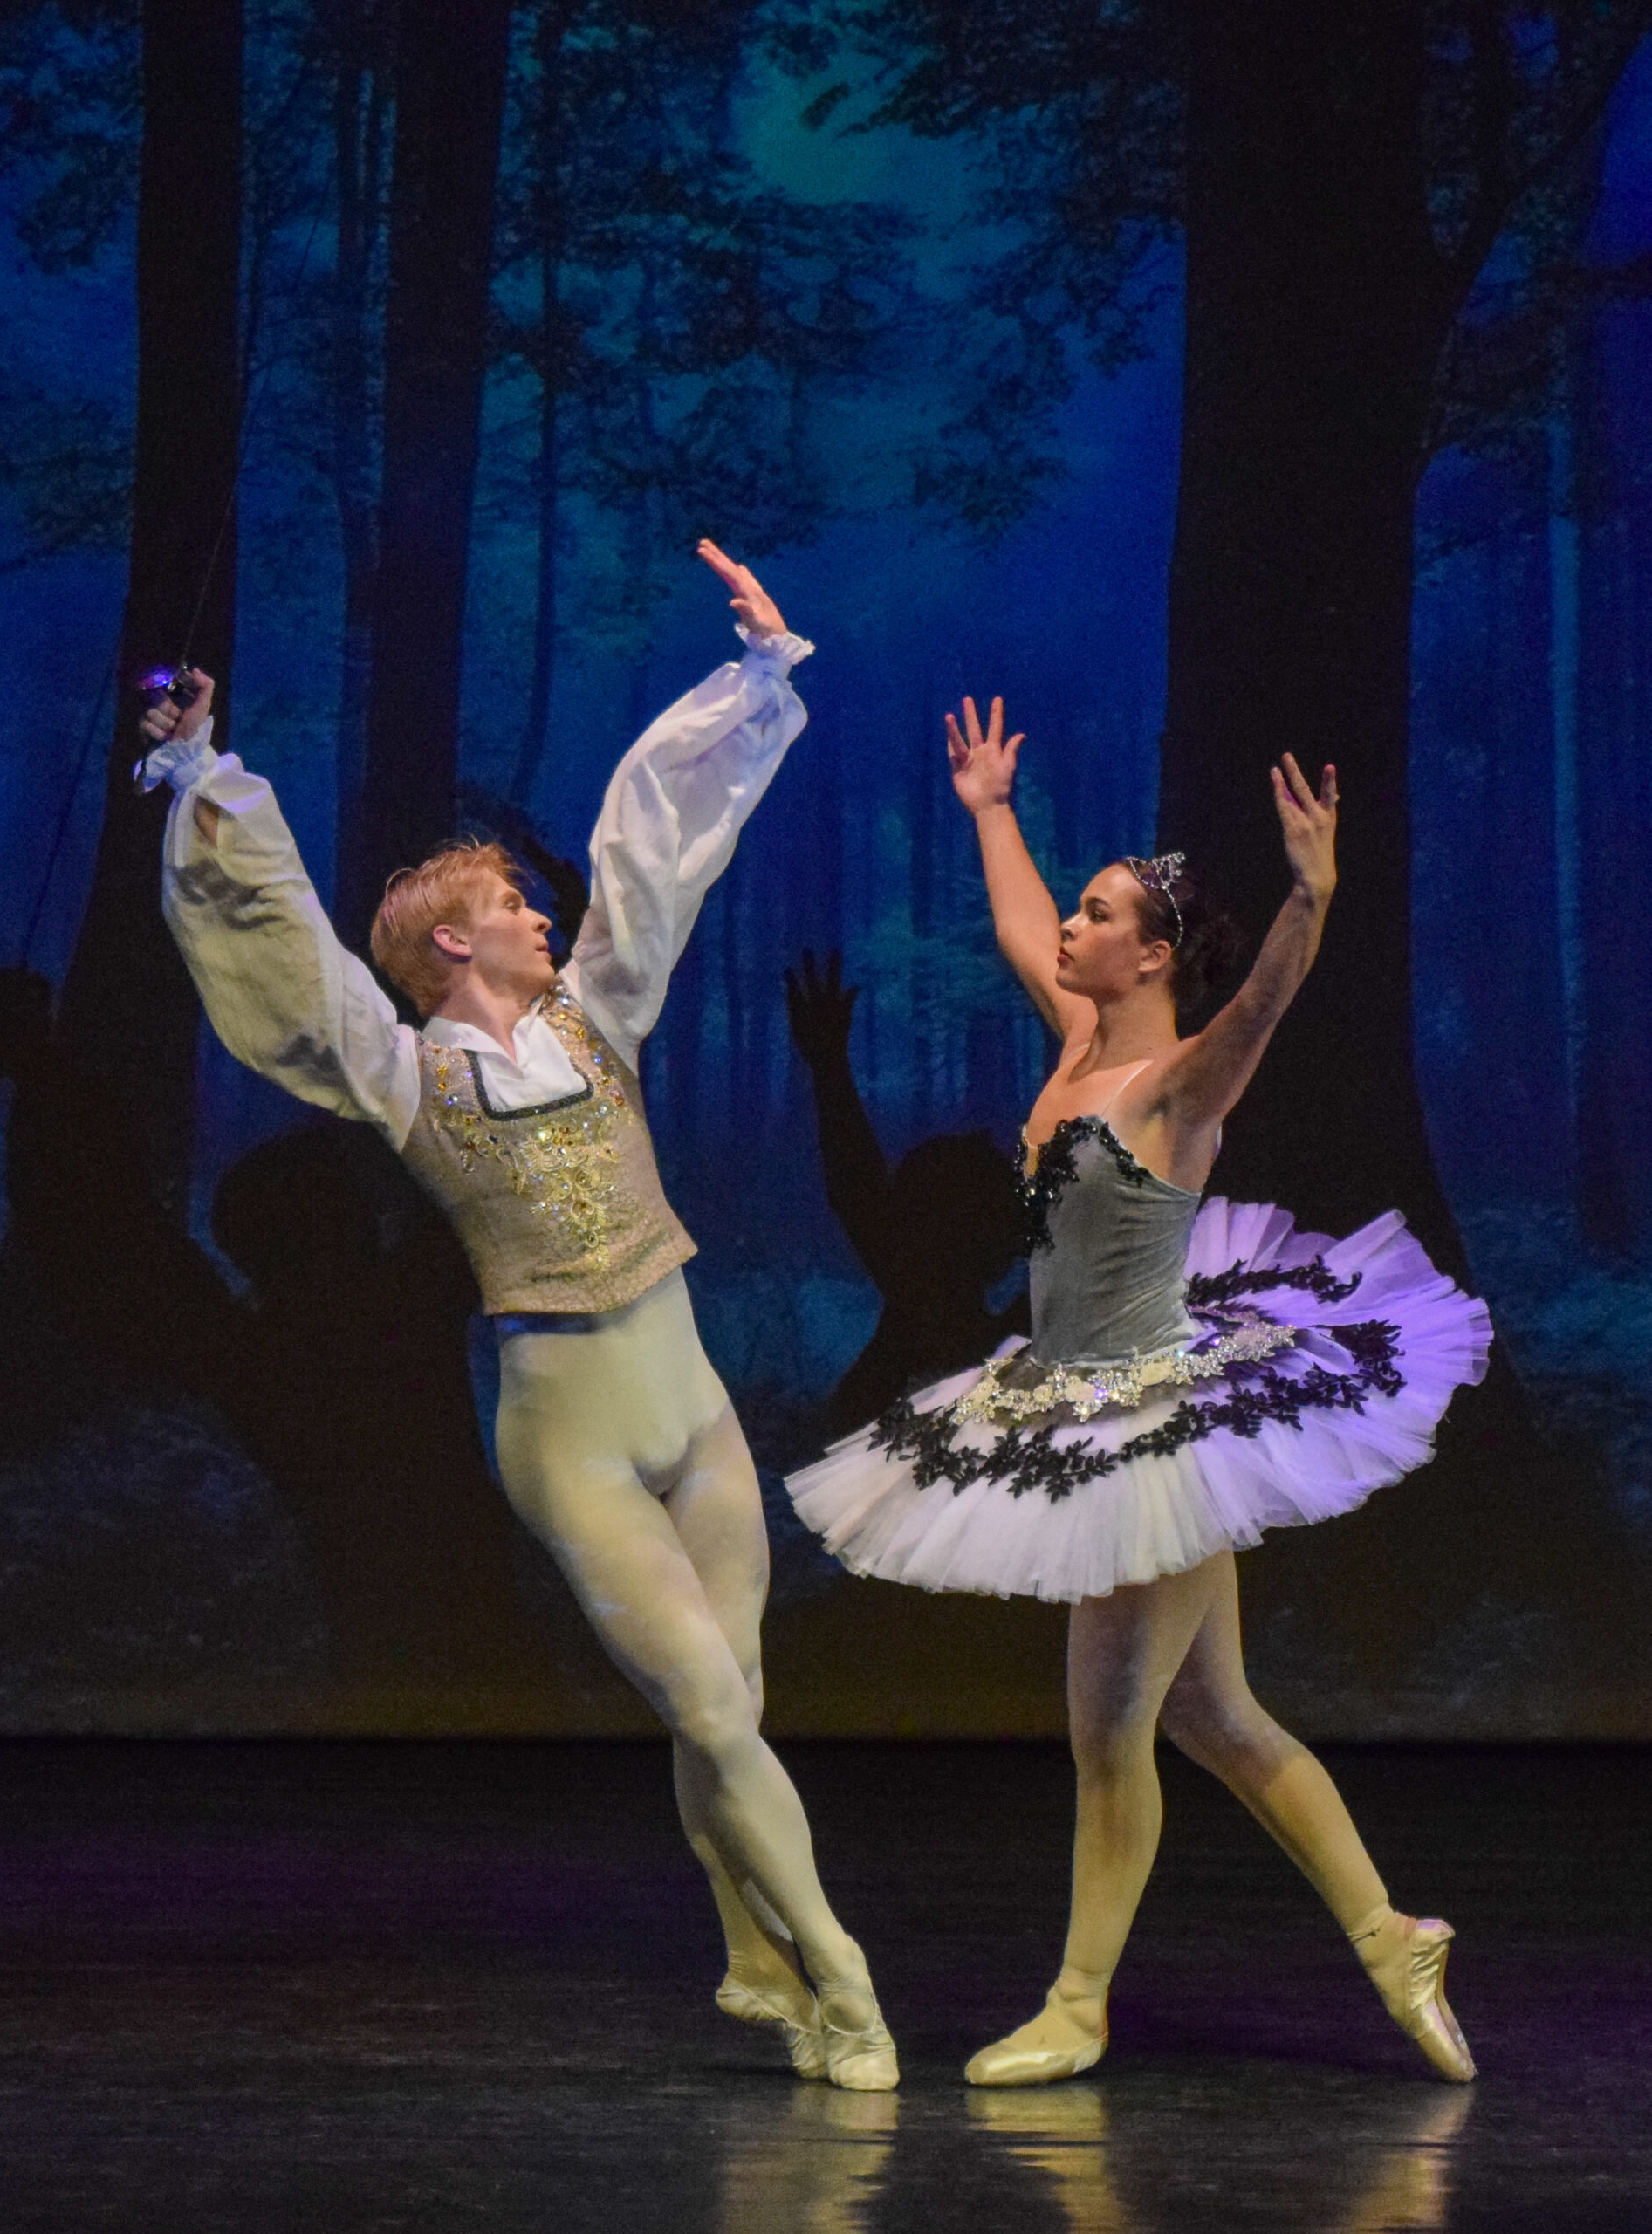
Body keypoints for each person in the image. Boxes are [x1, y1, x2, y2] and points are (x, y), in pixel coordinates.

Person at [135, 543, 896, 2090]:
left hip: (693, 1410)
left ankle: (749, 1956)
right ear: (450, 944)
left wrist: (759, 672)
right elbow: (286, 951)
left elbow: (650, 844)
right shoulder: (406, 1072)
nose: (544, 917)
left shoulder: (595, 1015)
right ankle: (843, 1976)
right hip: (572, 1438)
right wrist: (203, 770)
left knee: (730, 1708)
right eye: (511, 906)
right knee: (706, 1705)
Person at [788, 697, 1490, 2087]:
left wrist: (1309, 897)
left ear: (1152, 954)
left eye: (1097, 914)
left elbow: (1263, 1004)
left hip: (1145, 1423)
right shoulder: (1074, 1043)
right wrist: (990, 811)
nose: (1071, 925)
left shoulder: (1174, 1087)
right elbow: (1015, 923)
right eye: (1080, 909)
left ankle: (1076, 2004)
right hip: (1067, 1394)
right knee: (1214, 1717)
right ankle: (1391, 1937)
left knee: (1108, 1735)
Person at [783, 949, 1025, 1437]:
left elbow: (858, 1187)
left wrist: (829, 1065)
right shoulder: (1020, 1340)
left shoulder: (902, 1276)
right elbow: (859, 1187)